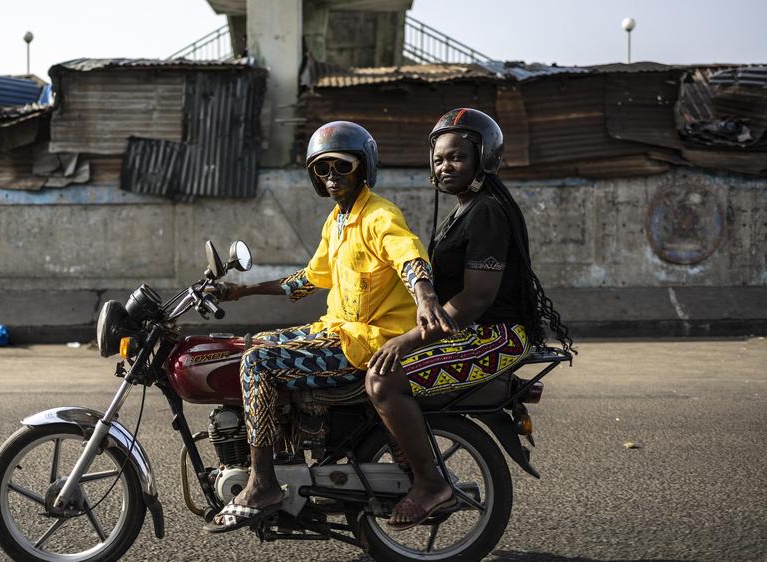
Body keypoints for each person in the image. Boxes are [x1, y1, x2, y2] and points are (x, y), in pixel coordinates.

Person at [203, 121, 457, 533]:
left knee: (257, 364)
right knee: (253, 344)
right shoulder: (338, 221)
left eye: (341, 167)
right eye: (322, 170)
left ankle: (263, 483)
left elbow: (407, 253)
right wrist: (241, 292)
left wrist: (425, 296)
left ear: (363, 167)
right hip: (337, 329)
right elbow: (308, 279)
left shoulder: (378, 215)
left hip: (366, 340)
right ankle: (291, 447)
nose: (332, 177)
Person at [365, 108, 575, 530]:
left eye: (457, 157)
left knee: (383, 380)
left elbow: (476, 298)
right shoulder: (462, 211)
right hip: (463, 331)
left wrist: (409, 340)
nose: (445, 166)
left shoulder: (487, 212)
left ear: (485, 158)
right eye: (439, 159)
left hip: (495, 336)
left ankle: (430, 484)